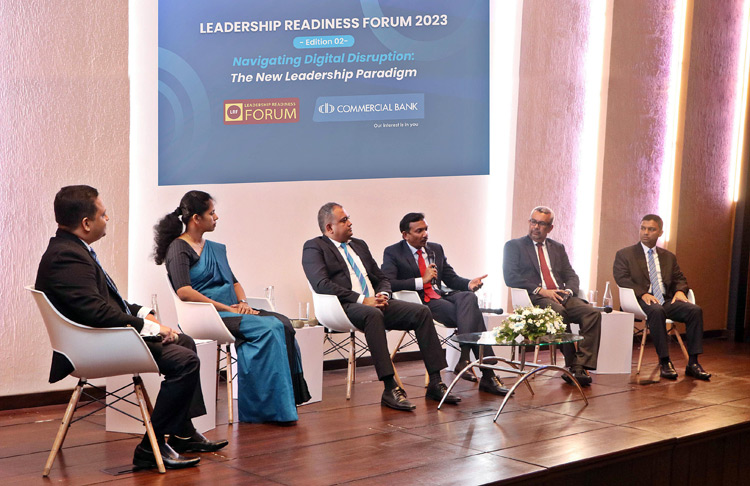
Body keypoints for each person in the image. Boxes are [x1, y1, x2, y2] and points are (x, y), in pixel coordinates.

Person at [35, 185, 227, 471]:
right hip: (93, 346)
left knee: (184, 342)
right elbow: (96, 312)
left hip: (101, 337)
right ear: (86, 223)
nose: (107, 219)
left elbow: (107, 302)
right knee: (185, 361)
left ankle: (182, 433)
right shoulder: (66, 256)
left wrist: (143, 313)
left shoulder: (72, 249)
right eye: (103, 214)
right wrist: (150, 328)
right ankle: (151, 448)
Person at [154, 190, 311, 423]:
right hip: (208, 316)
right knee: (268, 328)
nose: (216, 217)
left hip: (232, 311)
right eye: (212, 213)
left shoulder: (214, 248)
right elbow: (184, 291)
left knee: (283, 322)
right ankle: (263, 409)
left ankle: (286, 401)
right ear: (196, 218)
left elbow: (234, 282)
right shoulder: (179, 248)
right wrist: (227, 308)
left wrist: (243, 303)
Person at [302, 203, 460, 411]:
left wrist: (383, 295)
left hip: (374, 302)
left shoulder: (359, 245)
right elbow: (321, 283)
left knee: (422, 311)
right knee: (372, 314)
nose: (350, 223)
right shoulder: (314, 247)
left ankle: (435, 382)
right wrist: (362, 299)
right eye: (344, 220)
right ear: (330, 228)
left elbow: (382, 277)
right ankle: (390, 387)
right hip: (344, 306)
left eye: (349, 218)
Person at [381, 212, 509, 396]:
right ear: (405, 235)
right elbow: (389, 282)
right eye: (419, 231)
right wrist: (421, 281)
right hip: (421, 301)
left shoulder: (435, 249)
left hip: (441, 296)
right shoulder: (393, 252)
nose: (425, 234)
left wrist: (468, 284)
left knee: (468, 297)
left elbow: (450, 278)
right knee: (472, 313)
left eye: (426, 229)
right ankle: (486, 373)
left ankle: (465, 358)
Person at [502, 206, 601, 386]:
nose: (536, 227)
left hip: (561, 295)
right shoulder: (514, 246)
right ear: (529, 222)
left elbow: (571, 275)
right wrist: (541, 290)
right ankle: (573, 366)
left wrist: (568, 291)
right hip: (535, 298)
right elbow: (510, 276)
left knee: (592, 313)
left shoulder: (557, 248)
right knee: (558, 312)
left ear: (550, 228)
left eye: (541, 224)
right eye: (533, 222)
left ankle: (580, 365)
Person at [613, 214, 710, 380]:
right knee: (656, 310)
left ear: (660, 233)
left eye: (651, 229)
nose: (646, 232)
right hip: (639, 300)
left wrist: (680, 291)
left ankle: (693, 363)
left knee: (695, 310)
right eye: (643, 228)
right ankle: (665, 362)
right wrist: (643, 293)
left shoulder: (668, 257)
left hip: (665, 299)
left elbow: (679, 278)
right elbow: (622, 278)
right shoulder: (625, 254)